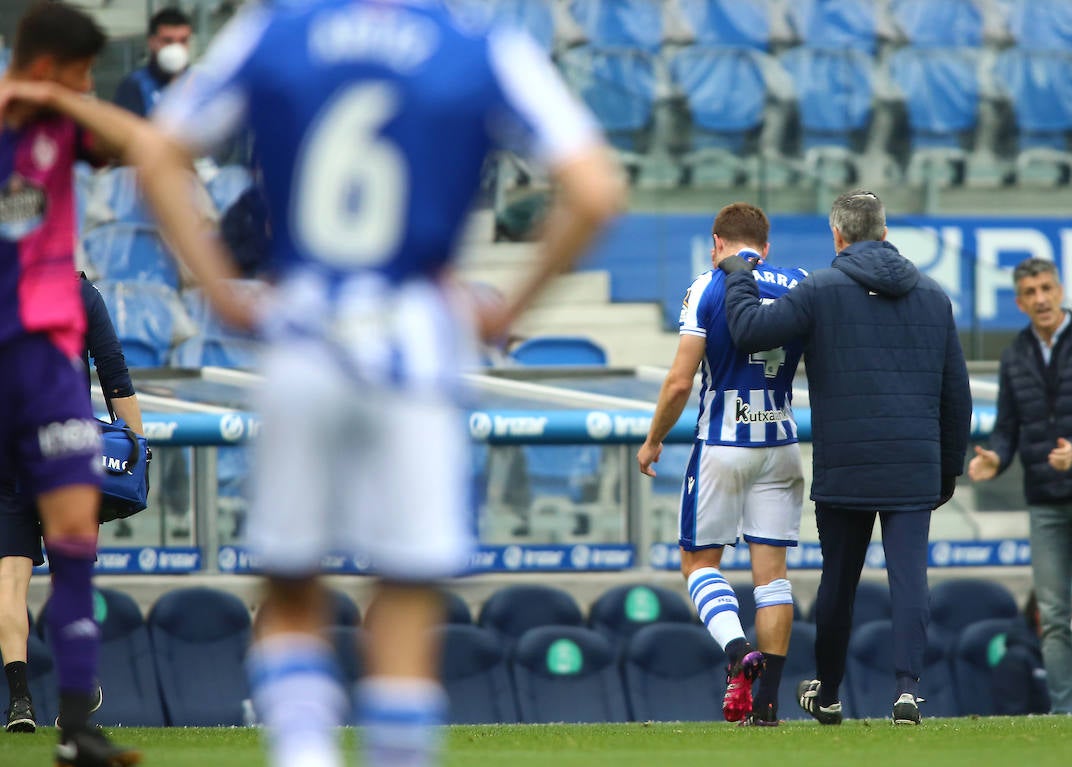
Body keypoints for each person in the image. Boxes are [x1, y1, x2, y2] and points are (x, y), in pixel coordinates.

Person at [131, 1, 623, 765]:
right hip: (414, 348)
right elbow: (596, 188)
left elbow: (157, 151)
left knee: (292, 587)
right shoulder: (479, 44)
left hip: (302, 336)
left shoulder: (276, 30)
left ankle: (303, 753)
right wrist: (510, 307)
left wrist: (222, 288)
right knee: (403, 593)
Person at [720, 190, 972, 725]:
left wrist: (739, 270)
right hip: (914, 462)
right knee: (910, 578)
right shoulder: (933, 294)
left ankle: (828, 690)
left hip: (846, 463)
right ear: (884, 232)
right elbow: (957, 395)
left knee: (840, 581)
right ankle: (907, 691)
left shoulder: (820, 289)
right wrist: (947, 468)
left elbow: (746, 331)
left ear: (838, 236)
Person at [0, 2, 152, 763]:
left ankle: (74, 728)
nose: (91, 85)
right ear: (48, 62)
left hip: (55, 365)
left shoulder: (61, 132)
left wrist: (59, 101)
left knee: (72, 542)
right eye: (83, 71)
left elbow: (146, 145)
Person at [637, 202, 808, 726]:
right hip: (781, 444)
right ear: (766, 246)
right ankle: (770, 705)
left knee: (698, 564)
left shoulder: (706, 286)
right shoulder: (800, 283)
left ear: (716, 243)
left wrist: (653, 440)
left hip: (722, 444)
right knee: (772, 578)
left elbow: (681, 381)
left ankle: (737, 652)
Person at [966, 256, 1072, 714]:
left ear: (1060, 291)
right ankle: (1065, 715)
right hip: (1045, 498)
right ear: (1019, 303)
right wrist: (996, 457)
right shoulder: (1015, 354)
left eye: (1046, 288)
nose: (1040, 299)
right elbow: (1008, 427)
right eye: (1030, 293)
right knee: (1053, 616)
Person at [2, 274, 145, 734]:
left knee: (9, 582)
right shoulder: (78, 291)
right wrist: (137, 450)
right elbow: (115, 377)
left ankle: (20, 700)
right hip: (66, 452)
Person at [112, 6, 192, 118]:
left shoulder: (202, 83)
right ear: (151, 42)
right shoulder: (135, 85)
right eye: (167, 41)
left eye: (183, 41)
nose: (176, 48)